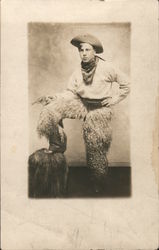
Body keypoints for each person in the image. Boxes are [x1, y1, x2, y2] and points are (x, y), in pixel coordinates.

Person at [35, 33, 130, 193]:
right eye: (81, 50)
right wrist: (55, 97)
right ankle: (57, 144)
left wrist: (114, 100)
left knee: (95, 146)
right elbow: (70, 92)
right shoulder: (77, 71)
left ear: (95, 52)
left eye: (87, 49)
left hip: (99, 109)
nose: (84, 53)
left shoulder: (107, 68)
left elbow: (126, 84)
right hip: (81, 104)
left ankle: (98, 180)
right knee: (50, 109)